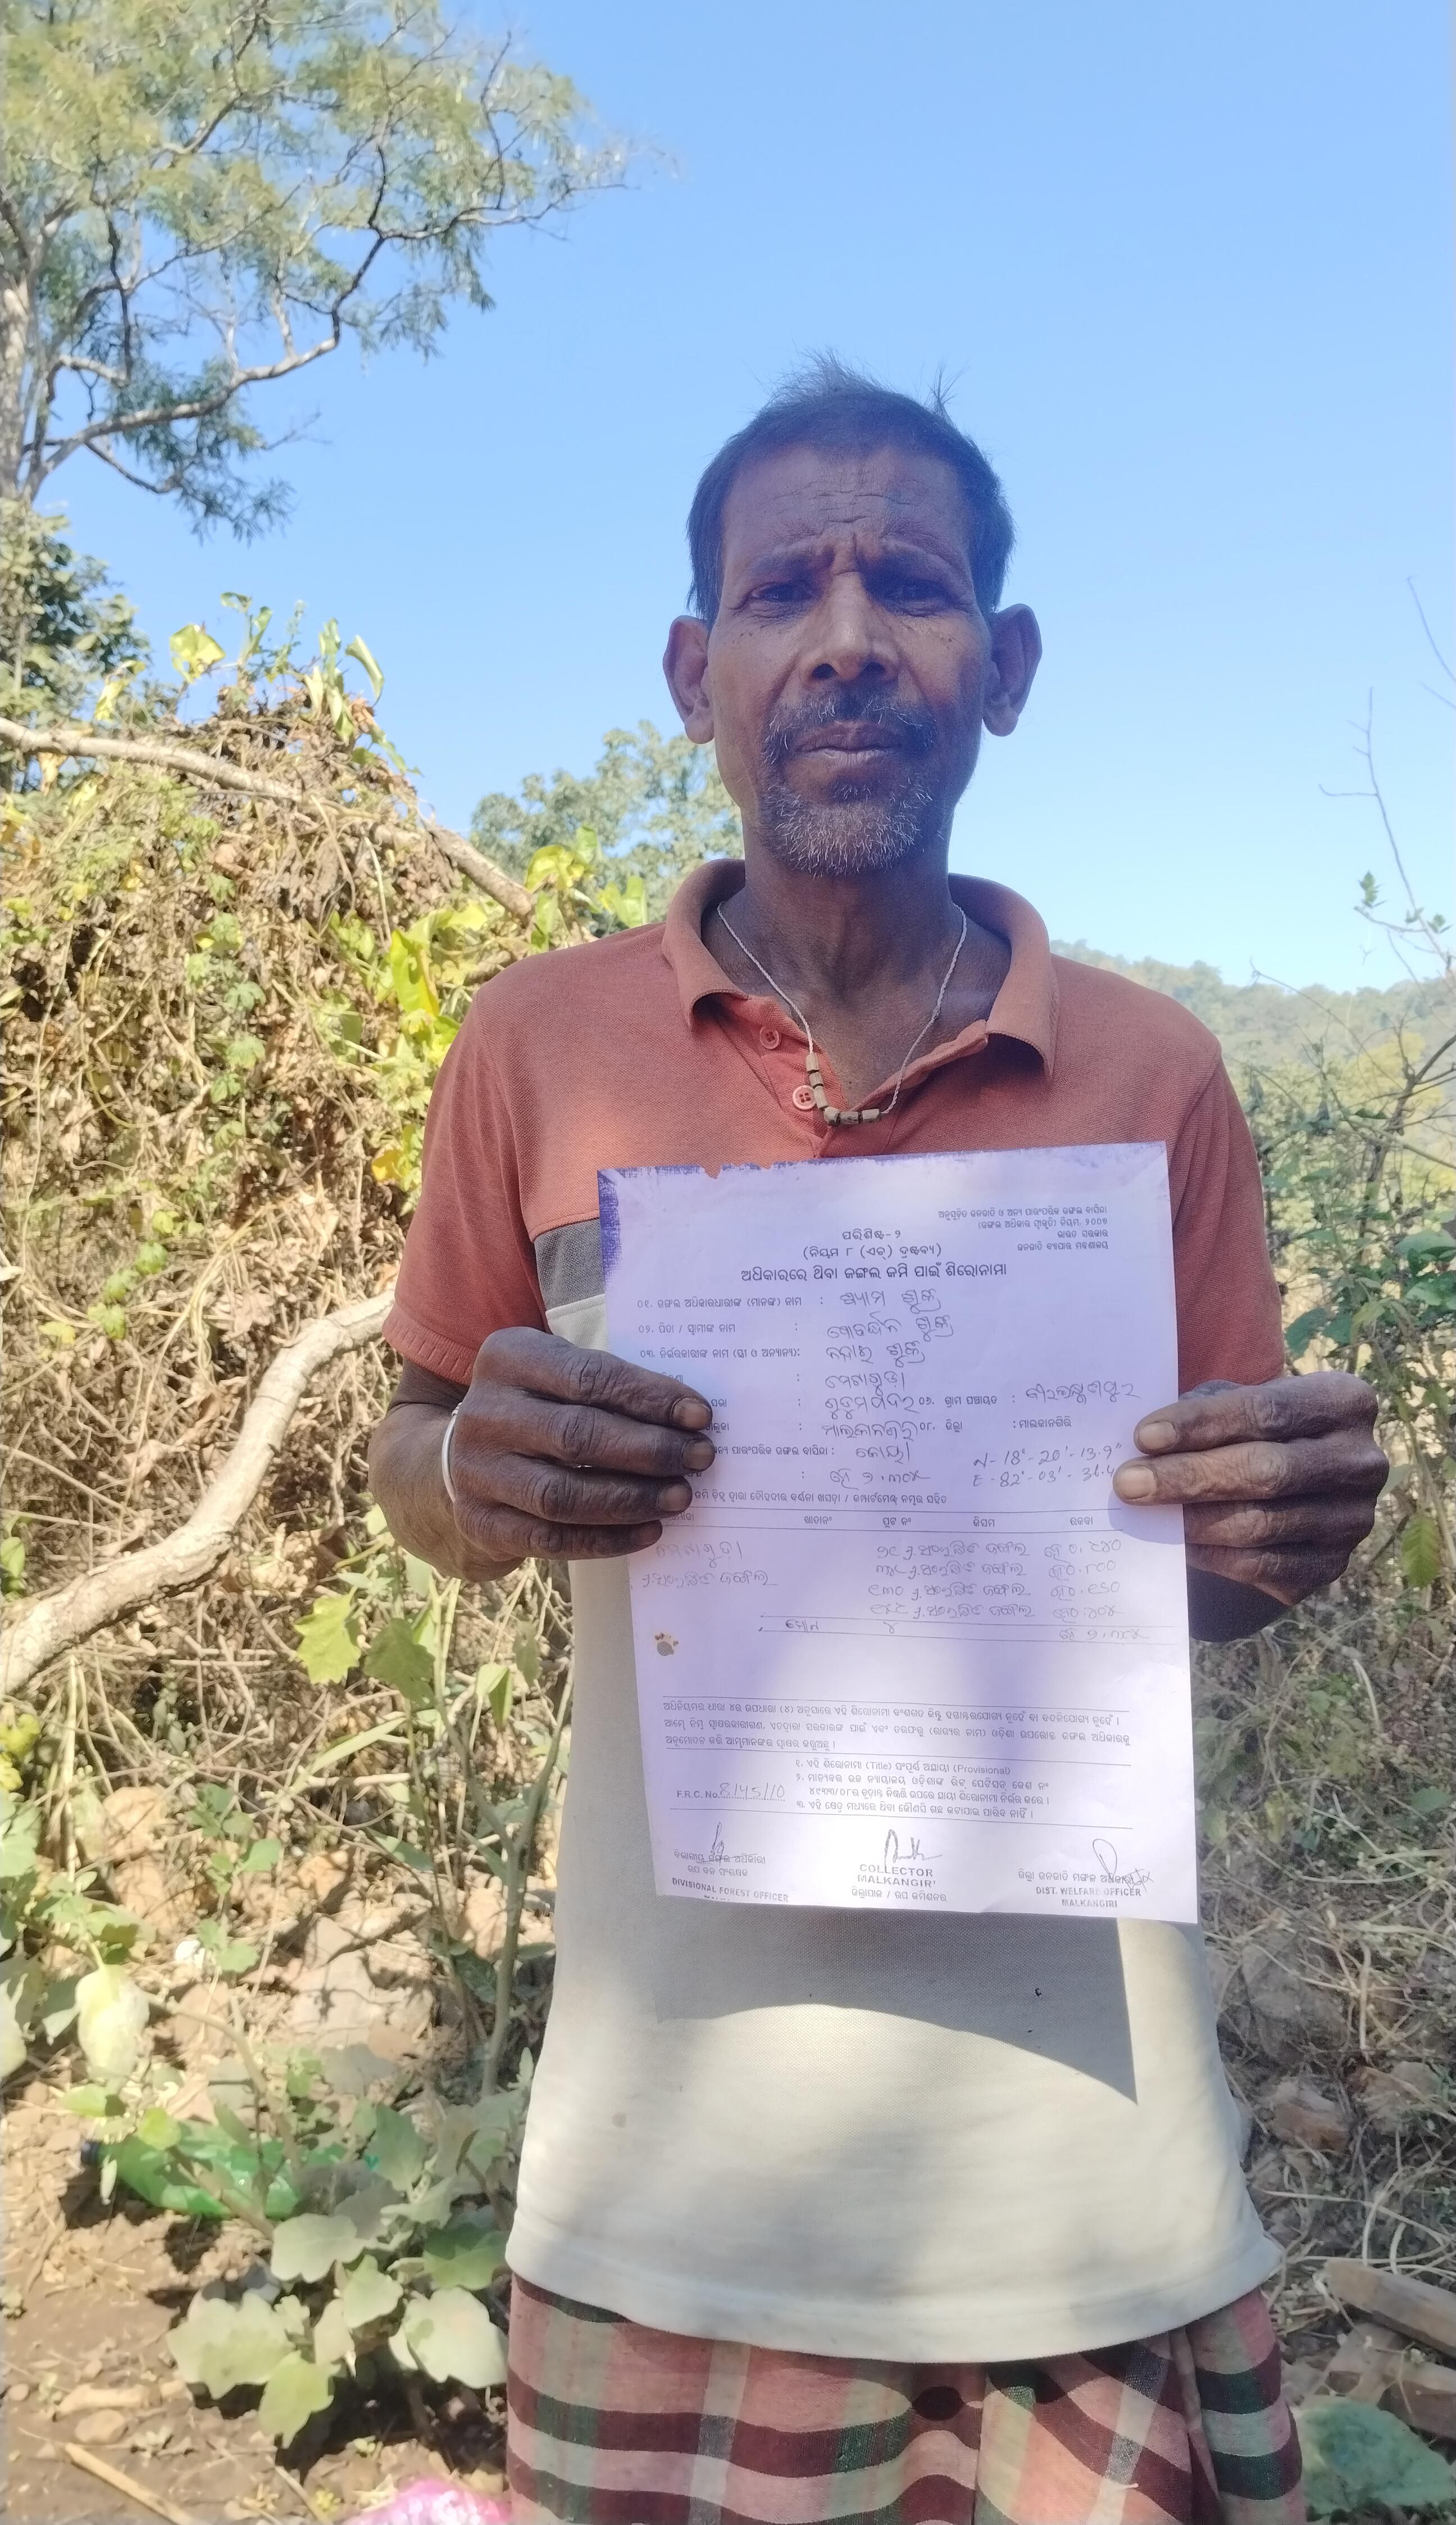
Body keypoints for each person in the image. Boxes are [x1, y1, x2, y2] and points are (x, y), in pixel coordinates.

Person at [370, 364, 1386, 2525]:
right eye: (781, 594)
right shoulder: (534, 1049)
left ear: (1001, 668)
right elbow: (415, 1451)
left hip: (1087, 2184)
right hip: (671, 2178)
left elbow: (1205, 1573)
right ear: (695, 675)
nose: (846, 637)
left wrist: (1282, 1531)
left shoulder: (1155, 1076)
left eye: (909, 586)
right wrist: (471, 1479)